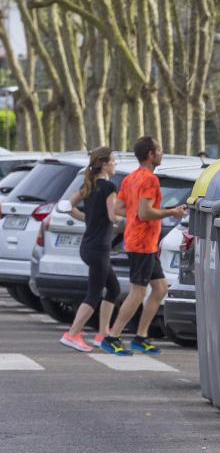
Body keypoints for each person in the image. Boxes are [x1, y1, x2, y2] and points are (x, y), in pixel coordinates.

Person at [104, 136, 187, 355]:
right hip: (141, 243)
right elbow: (145, 212)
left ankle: (141, 337)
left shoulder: (131, 178)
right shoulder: (150, 180)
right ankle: (112, 336)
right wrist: (172, 211)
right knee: (138, 292)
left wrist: (135, 214)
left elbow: (120, 208)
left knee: (159, 289)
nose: (162, 153)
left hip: (142, 242)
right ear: (150, 155)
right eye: (159, 150)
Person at [59, 147, 126, 353]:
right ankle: (72, 334)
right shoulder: (108, 187)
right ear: (104, 164)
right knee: (94, 293)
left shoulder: (89, 185)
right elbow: (113, 216)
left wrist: (88, 218)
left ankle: (103, 334)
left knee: (113, 288)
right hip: (99, 248)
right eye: (114, 160)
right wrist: (130, 219)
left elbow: (67, 206)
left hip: (89, 246)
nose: (115, 164)